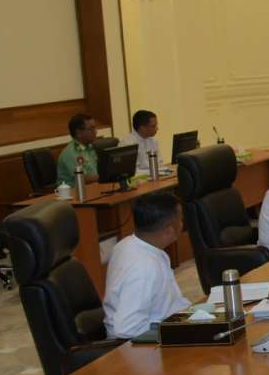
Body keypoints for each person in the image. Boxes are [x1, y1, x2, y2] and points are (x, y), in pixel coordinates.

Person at [100, 192, 190, 339]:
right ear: (169, 230)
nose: (183, 223)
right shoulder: (144, 268)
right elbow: (127, 329)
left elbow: (171, 301)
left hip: (166, 323)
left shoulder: (128, 244)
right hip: (140, 343)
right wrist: (174, 330)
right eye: (181, 219)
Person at [56, 113, 100, 185]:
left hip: (93, 187)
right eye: (91, 129)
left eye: (95, 128)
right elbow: (82, 178)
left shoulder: (91, 147)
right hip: (73, 190)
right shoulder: (70, 153)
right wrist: (105, 176)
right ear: (79, 133)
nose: (96, 132)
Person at [129, 109, 160, 174]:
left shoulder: (153, 140)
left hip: (154, 174)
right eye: (153, 126)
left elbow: (159, 162)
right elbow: (133, 171)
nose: (157, 128)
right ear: (142, 127)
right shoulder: (128, 144)